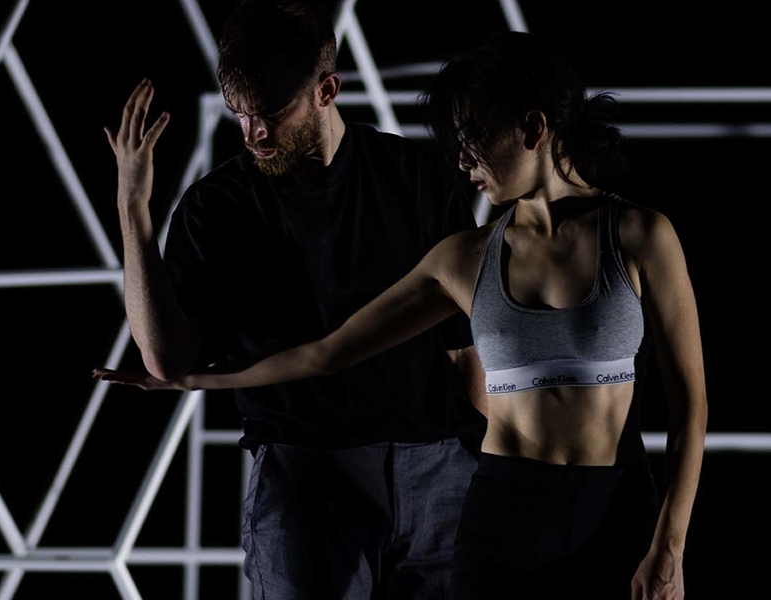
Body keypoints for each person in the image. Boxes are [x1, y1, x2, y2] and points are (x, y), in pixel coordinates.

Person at [97, 30, 706, 600]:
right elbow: (328, 351)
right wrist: (190, 379)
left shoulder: (641, 235)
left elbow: (690, 404)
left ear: (533, 128)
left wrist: (670, 543)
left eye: (474, 138)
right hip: (501, 510)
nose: (463, 158)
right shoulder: (463, 259)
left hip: (615, 506)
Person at [100, 1, 489, 598]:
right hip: (305, 478)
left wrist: (498, 466)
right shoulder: (217, 208)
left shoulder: (417, 176)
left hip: (438, 469)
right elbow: (164, 360)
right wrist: (133, 210)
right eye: (240, 114)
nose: (253, 133)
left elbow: (466, 352)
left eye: (271, 114)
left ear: (326, 89)